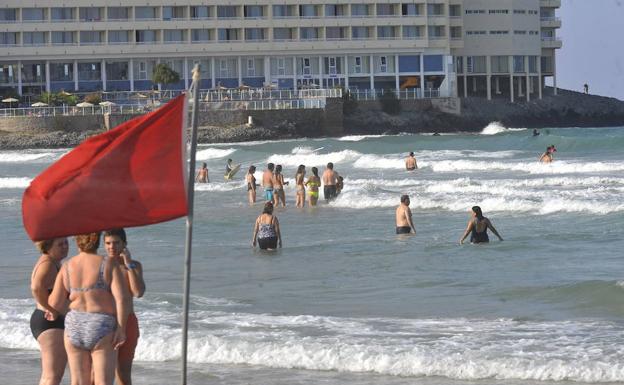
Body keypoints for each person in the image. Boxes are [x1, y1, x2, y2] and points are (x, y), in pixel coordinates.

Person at [48, 233, 130, 385]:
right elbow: (122, 298)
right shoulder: (108, 263)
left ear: (77, 242)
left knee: (78, 382)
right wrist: (121, 328)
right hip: (101, 324)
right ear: (97, 241)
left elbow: (54, 303)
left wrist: (50, 310)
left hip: (74, 324)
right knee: (103, 382)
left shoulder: (67, 265)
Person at [103, 229, 145, 385]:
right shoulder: (101, 265)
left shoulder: (134, 266)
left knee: (123, 372)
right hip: (106, 322)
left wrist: (128, 264)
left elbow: (138, 292)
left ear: (124, 244)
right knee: (99, 372)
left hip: (128, 321)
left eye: (116, 243)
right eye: (108, 243)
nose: (112, 247)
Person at [30, 238, 69, 385]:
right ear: (48, 247)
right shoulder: (48, 264)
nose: (65, 247)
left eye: (66, 243)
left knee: (52, 375)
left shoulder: (51, 262)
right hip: (50, 322)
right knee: (52, 377)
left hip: (48, 321)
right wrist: (50, 309)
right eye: (60, 244)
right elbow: (36, 287)